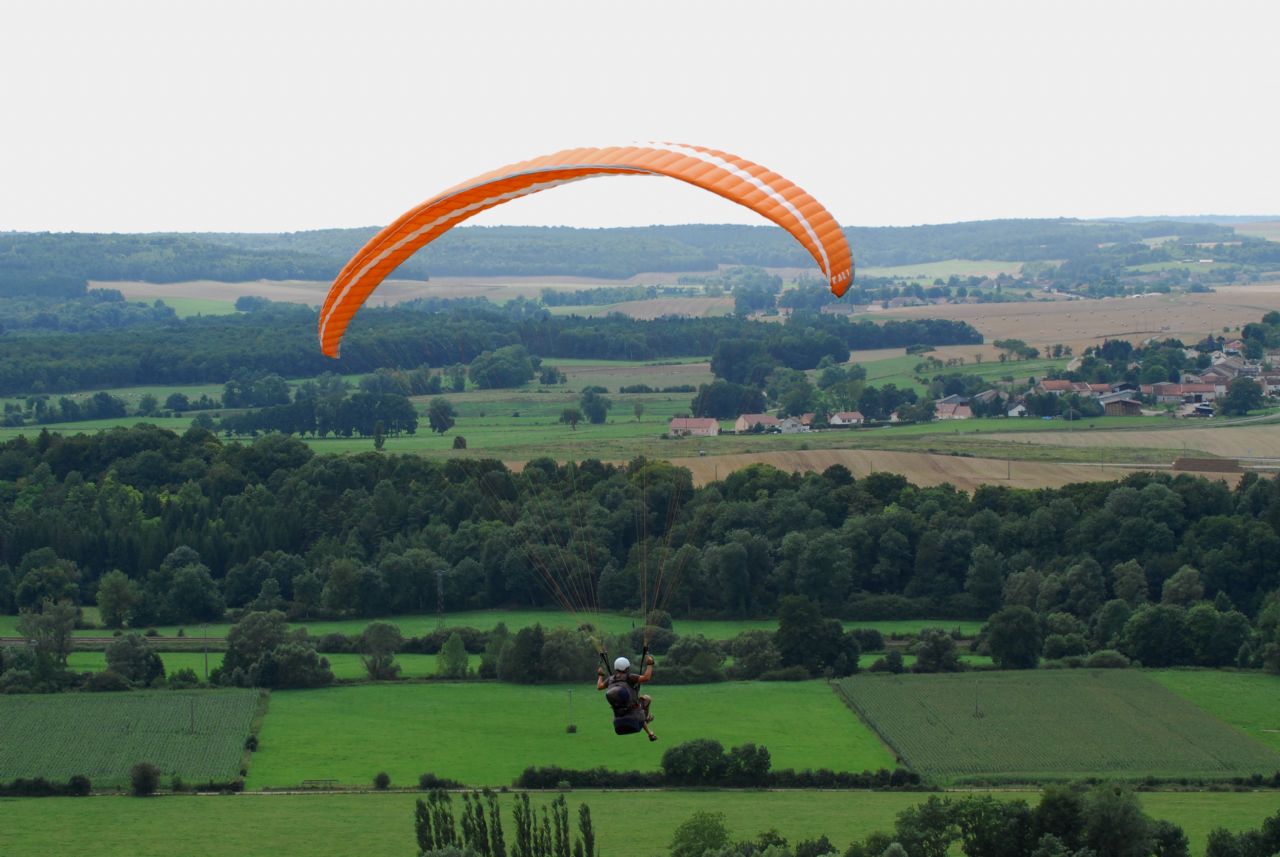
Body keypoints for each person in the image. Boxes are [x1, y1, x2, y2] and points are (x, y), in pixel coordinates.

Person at [597, 653, 656, 741]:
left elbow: (599, 686)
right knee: (647, 699)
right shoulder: (630, 677)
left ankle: (649, 733)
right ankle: (646, 718)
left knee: (637, 706)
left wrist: (600, 675)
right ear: (627, 668)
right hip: (634, 717)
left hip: (618, 721)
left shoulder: (610, 679)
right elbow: (646, 678)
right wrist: (650, 665)